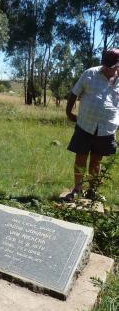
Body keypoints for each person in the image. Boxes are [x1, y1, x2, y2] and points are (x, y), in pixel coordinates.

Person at [64, 48, 119, 201]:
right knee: (81, 157)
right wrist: (69, 112)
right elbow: (74, 92)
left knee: (97, 160)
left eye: (111, 66)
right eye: (105, 65)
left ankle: (92, 191)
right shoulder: (90, 73)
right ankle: (77, 189)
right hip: (85, 125)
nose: (107, 68)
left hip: (107, 128)